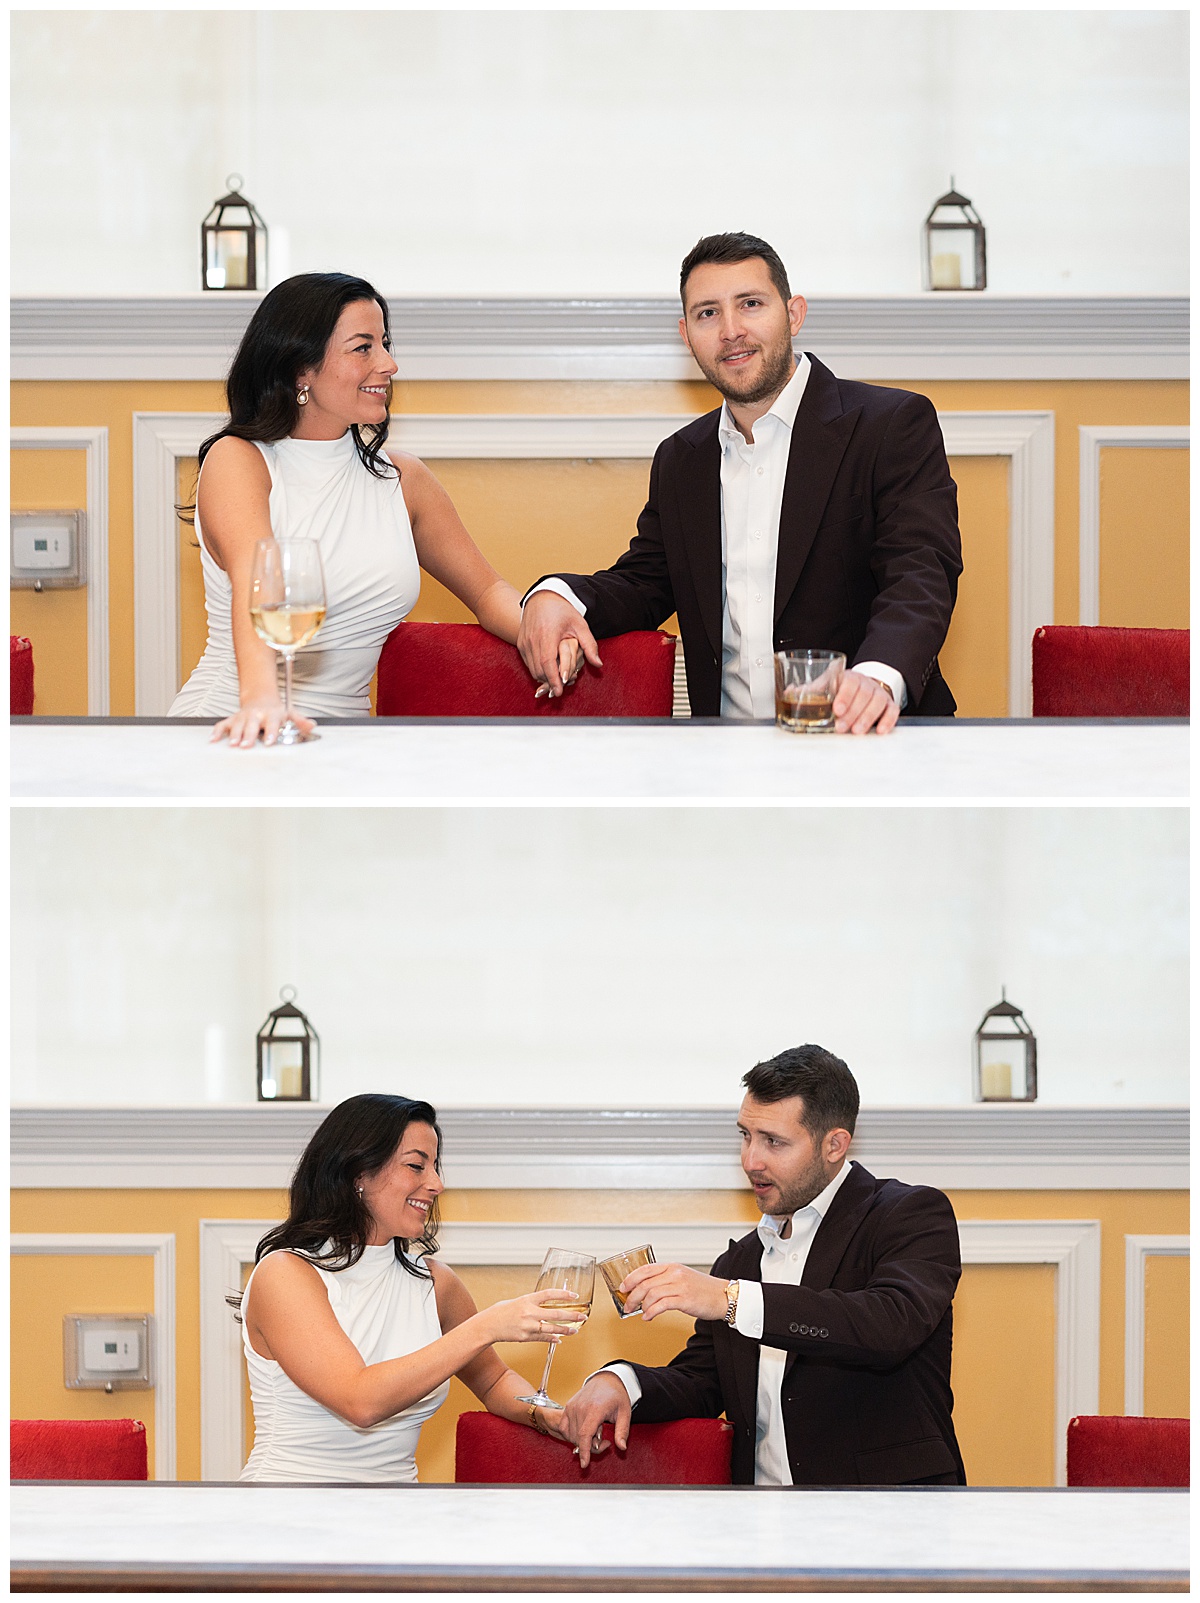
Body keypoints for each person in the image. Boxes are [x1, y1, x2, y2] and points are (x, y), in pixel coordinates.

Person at [517, 233, 963, 733]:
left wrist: (879, 678)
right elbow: (645, 583)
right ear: (686, 335)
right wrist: (557, 595)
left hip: (870, 739)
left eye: (750, 304)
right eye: (708, 313)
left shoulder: (891, 425)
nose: (731, 330)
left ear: (793, 314)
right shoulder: (681, 459)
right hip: (723, 759)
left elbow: (921, 572)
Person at [170, 272, 568, 746]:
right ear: (302, 368)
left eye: (385, 343)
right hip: (235, 723)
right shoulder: (238, 459)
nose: (389, 363)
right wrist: (261, 702)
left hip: (346, 742)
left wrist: (545, 634)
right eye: (363, 347)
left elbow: (488, 592)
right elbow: (259, 585)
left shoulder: (405, 480)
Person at [558, 1045, 967, 1486]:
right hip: (758, 1524)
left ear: (835, 1144)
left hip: (889, 1517)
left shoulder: (909, 1214)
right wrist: (622, 1382)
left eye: (774, 1141)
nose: (752, 1160)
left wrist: (729, 1298)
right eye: (745, 1135)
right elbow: (701, 1381)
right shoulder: (740, 1260)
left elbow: (888, 1324)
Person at [237, 1093, 573, 1481]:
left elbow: (494, 1380)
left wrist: (547, 1415)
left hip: (401, 1512)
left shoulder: (435, 1283)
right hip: (288, 1510)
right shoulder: (285, 1273)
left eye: (434, 1167)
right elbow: (359, 1400)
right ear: (357, 1173)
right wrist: (487, 1326)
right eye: (416, 1166)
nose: (436, 1184)